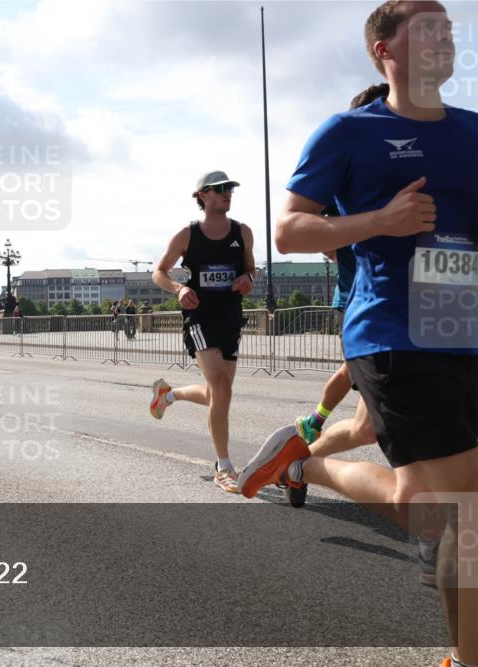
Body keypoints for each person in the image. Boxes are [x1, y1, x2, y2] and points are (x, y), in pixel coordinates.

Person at [237, 4, 476, 665]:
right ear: (383, 51)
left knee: (421, 499)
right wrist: (381, 220)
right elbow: (289, 230)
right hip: (396, 331)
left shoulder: (475, 132)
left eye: (449, 29)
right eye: (426, 29)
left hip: (466, 325)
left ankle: (306, 462)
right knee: (464, 505)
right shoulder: (349, 131)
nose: (444, 38)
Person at [286, 84, 392, 509]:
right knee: (355, 380)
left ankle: (301, 459)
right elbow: (296, 230)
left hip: (421, 312)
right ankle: (310, 431)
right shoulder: (346, 174)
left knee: (367, 427)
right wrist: (350, 232)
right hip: (361, 303)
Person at [150, 169, 255, 494]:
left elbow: (251, 268)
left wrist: (249, 279)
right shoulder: (187, 234)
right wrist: (179, 289)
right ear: (202, 196)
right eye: (220, 189)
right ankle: (223, 466)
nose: (227, 193)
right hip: (199, 319)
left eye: (230, 189)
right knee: (221, 389)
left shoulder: (243, 232)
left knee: (217, 395)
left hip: (230, 318)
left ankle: (167, 395)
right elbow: (159, 272)